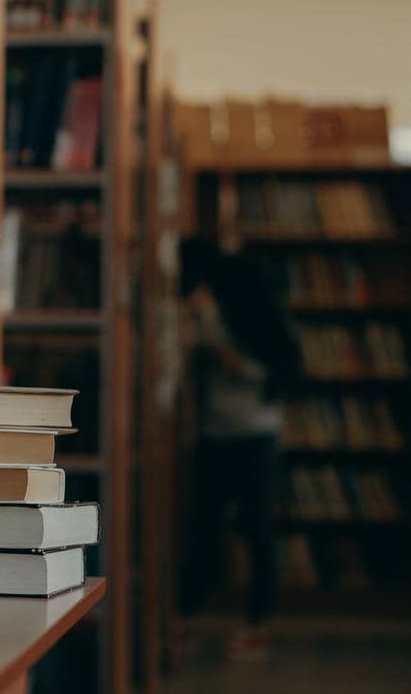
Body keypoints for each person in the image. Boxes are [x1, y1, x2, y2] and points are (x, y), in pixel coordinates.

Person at [177, 239, 301, 661]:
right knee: (204, 528)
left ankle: (256, 623)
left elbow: (279, 373)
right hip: (216, 433)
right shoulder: (215, 314)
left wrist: (232, 358)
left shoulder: (261, 322)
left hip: (255, 435)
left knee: (258, 529)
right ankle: (187, 614)